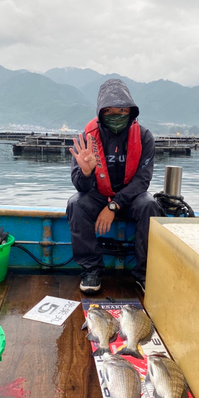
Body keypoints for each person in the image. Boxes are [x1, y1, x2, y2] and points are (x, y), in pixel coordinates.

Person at [66, 78, 160, 295]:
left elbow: (142, 180)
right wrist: (87, 172)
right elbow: (81, 187)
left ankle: (144, 273)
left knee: (150, 205)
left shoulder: (144, 137)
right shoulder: (86, 140)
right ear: (99, 114)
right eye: (108, 111)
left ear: (131, 111)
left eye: (121, 110)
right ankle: (91, 270)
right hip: (98, 194)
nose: (115, 116)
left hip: (130, 197)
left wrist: (114, 206)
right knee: (75, 204)